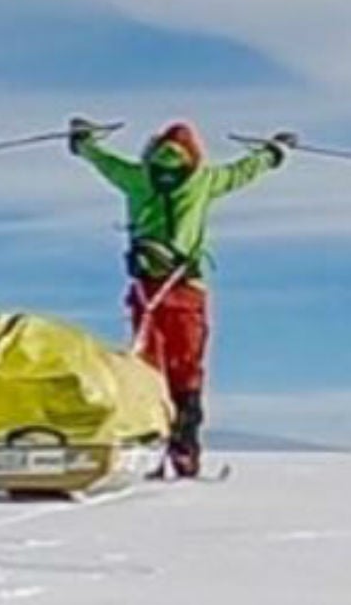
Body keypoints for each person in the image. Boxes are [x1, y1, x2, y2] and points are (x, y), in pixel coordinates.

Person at [68, 118, 295, 477]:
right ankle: (185, 449)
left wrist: (81, 142)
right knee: (186, 369)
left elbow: (103, 161)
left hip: (146, 289)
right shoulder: (202, 180)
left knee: (148, 366)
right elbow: (244, 171)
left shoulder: (137, 178)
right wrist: (275, 151)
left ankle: (150, 444)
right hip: (186, 289)